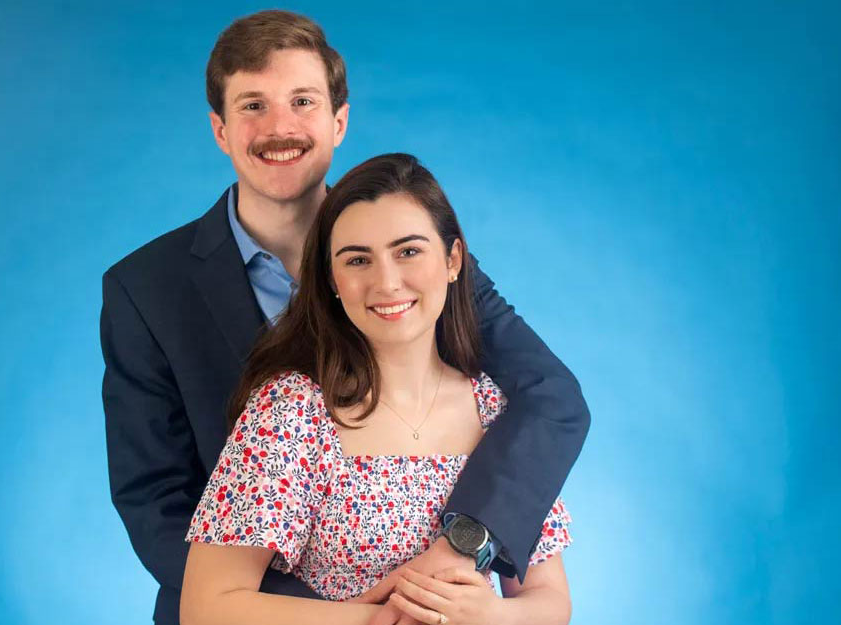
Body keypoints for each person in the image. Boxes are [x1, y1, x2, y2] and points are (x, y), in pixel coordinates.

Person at [100, 10, 588, 625]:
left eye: (302, 101)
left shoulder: (423, 264)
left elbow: (552, 400)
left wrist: (461, 553)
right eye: (253, 105)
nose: (280, 127)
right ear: (219, 129)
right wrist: (351, 615)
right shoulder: (147, 289)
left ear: (339, 120)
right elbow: (155, 499)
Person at [181, 153, 573, 625]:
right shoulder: (291, 412)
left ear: (453, 261)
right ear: (332, 281)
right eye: (358, 260)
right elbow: (208, 607)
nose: (386, 282)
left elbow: (549, 601)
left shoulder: (496, 409)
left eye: (408, 251)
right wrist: (379, 621)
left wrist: (491, 616)